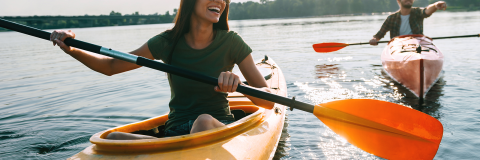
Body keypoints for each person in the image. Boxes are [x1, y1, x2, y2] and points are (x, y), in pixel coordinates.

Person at [49, 0, 274, 139]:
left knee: (203, 121)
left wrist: (239, 85)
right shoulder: (166, 42)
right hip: (175, 132)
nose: (220, 0)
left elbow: (269, 101)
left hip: (215, 127)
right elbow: (110, 66)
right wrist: (71, 49)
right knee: (114, 138)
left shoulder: (232, 42)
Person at [369, 0, 447, 45]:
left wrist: (435, 6)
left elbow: (426, 11)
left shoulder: (417, 12)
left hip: (418, 45)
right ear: (399, 1)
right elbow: (379, 35)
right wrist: (374, 39)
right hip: (398, 47)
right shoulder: (391, 18)